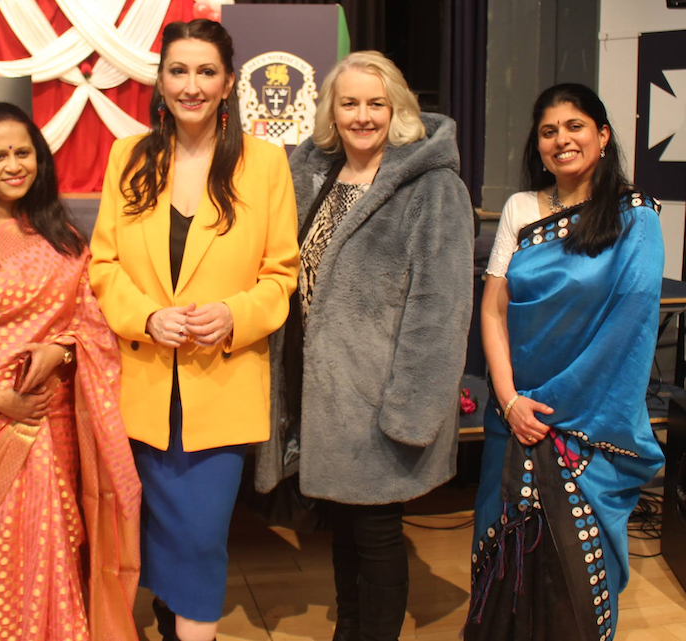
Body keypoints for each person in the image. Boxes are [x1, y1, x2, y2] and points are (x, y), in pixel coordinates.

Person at [88, 18, 299, 641]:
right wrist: (146, 316)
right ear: (160, 79)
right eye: (178, 70)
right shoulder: (128, 156)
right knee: (146, 534)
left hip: (222, 386)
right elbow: (103, 264)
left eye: (206, 71)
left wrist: (235, 315)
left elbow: (280, 274)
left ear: (229, 82)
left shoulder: (264, 163)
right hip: (140, 385)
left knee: (202, 538)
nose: (191, 85)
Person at [256, 50, 474, 641]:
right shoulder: (314, 174)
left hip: (381, 402)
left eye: (376, 103)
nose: (362, 116)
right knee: (346, 533)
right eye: (348, 102)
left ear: (398, 108)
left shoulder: (433, 189)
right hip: (320, 394)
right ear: (331, 109)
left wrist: (409, 411)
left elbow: (443, 311)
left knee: (377, 537)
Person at [0, 102, 141, 641]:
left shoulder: (60, 235)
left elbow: (92, 324)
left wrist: (60, 352)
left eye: (23, 152)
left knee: (54, 545)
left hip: (50, 423)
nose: (14, 165)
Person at [464, 83, 665, 640]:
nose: (561, 139)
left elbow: (628, 331)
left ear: (602, 135)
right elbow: (494, 311)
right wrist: (508, 402)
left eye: (575, 126)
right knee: (502, 564)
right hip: (515, 416)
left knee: (573, 581)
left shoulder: (636, 219)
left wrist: (555, 413)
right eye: (549, 131)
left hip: (584, 426)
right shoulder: (521, 209)